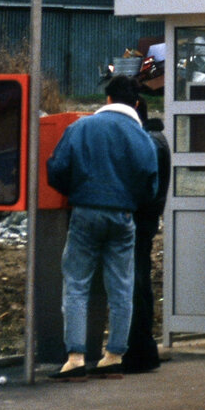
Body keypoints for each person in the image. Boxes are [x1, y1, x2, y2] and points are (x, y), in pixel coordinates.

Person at [45, 74, 159, 379]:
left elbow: (56, 169)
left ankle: (76, 357)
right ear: (135, 103)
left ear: (107, 100)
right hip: (123, 216)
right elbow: (150, 184)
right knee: (122, 287)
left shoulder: (80, 127)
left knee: (77, 284)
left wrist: (75, 191)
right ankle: (114, 356)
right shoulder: (142, 137)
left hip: (85, 212)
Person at [122, 96, 171, 373]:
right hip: (148, 217)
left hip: (140, 218)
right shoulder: (156, 138)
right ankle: (143, 345)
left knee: (137, 280)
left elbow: (142, 181)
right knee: (140, 278)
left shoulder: (149, 141)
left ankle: (139, 347)